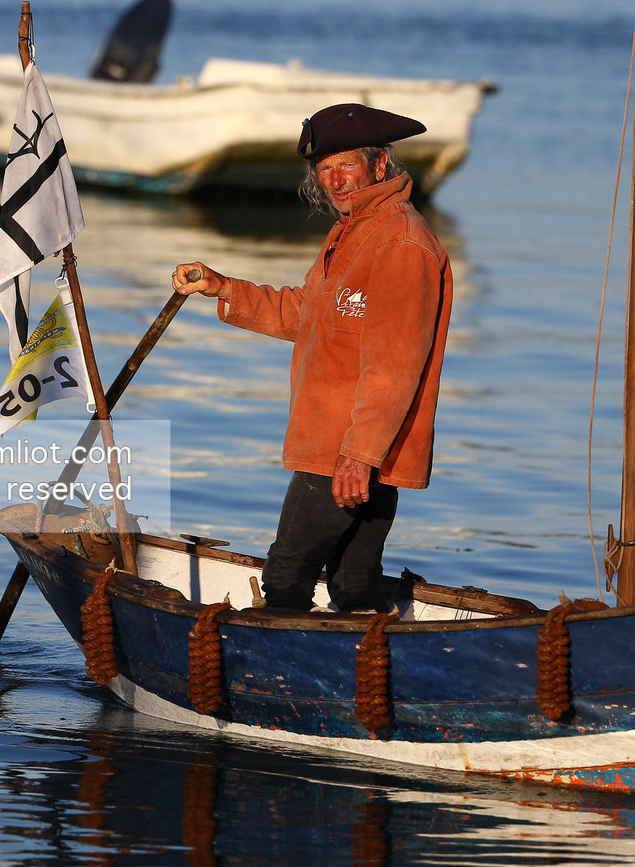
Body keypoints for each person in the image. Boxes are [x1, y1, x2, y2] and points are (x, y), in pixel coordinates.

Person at [173, 103, 452, 613]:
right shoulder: (352, 231)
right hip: (354, 450)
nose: (335, 179)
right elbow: (309, 313)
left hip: (345, 451)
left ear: (380, 165)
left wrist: (359, 455)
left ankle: (277, 687)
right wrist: (224, 288)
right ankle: (366, 682)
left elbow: (394, 364)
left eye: (346, 165)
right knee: (354, 584)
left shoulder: (400, 241)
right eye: (324, 169)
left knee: (286, 576)